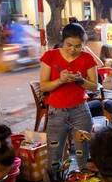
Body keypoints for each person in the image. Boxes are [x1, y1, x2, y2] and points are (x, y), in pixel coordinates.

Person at [40, 23, 98, 167]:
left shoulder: (87, 58)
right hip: (56, 111)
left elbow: (94, 86)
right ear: (62, 40)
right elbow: (44, 85)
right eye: (69, 45)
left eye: (78, 46)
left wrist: (80, 80)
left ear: (83, 44)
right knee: (53, 157)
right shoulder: (50, 56)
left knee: (83, 154)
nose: (73, 50)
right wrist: (60, 80)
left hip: (80, 111)